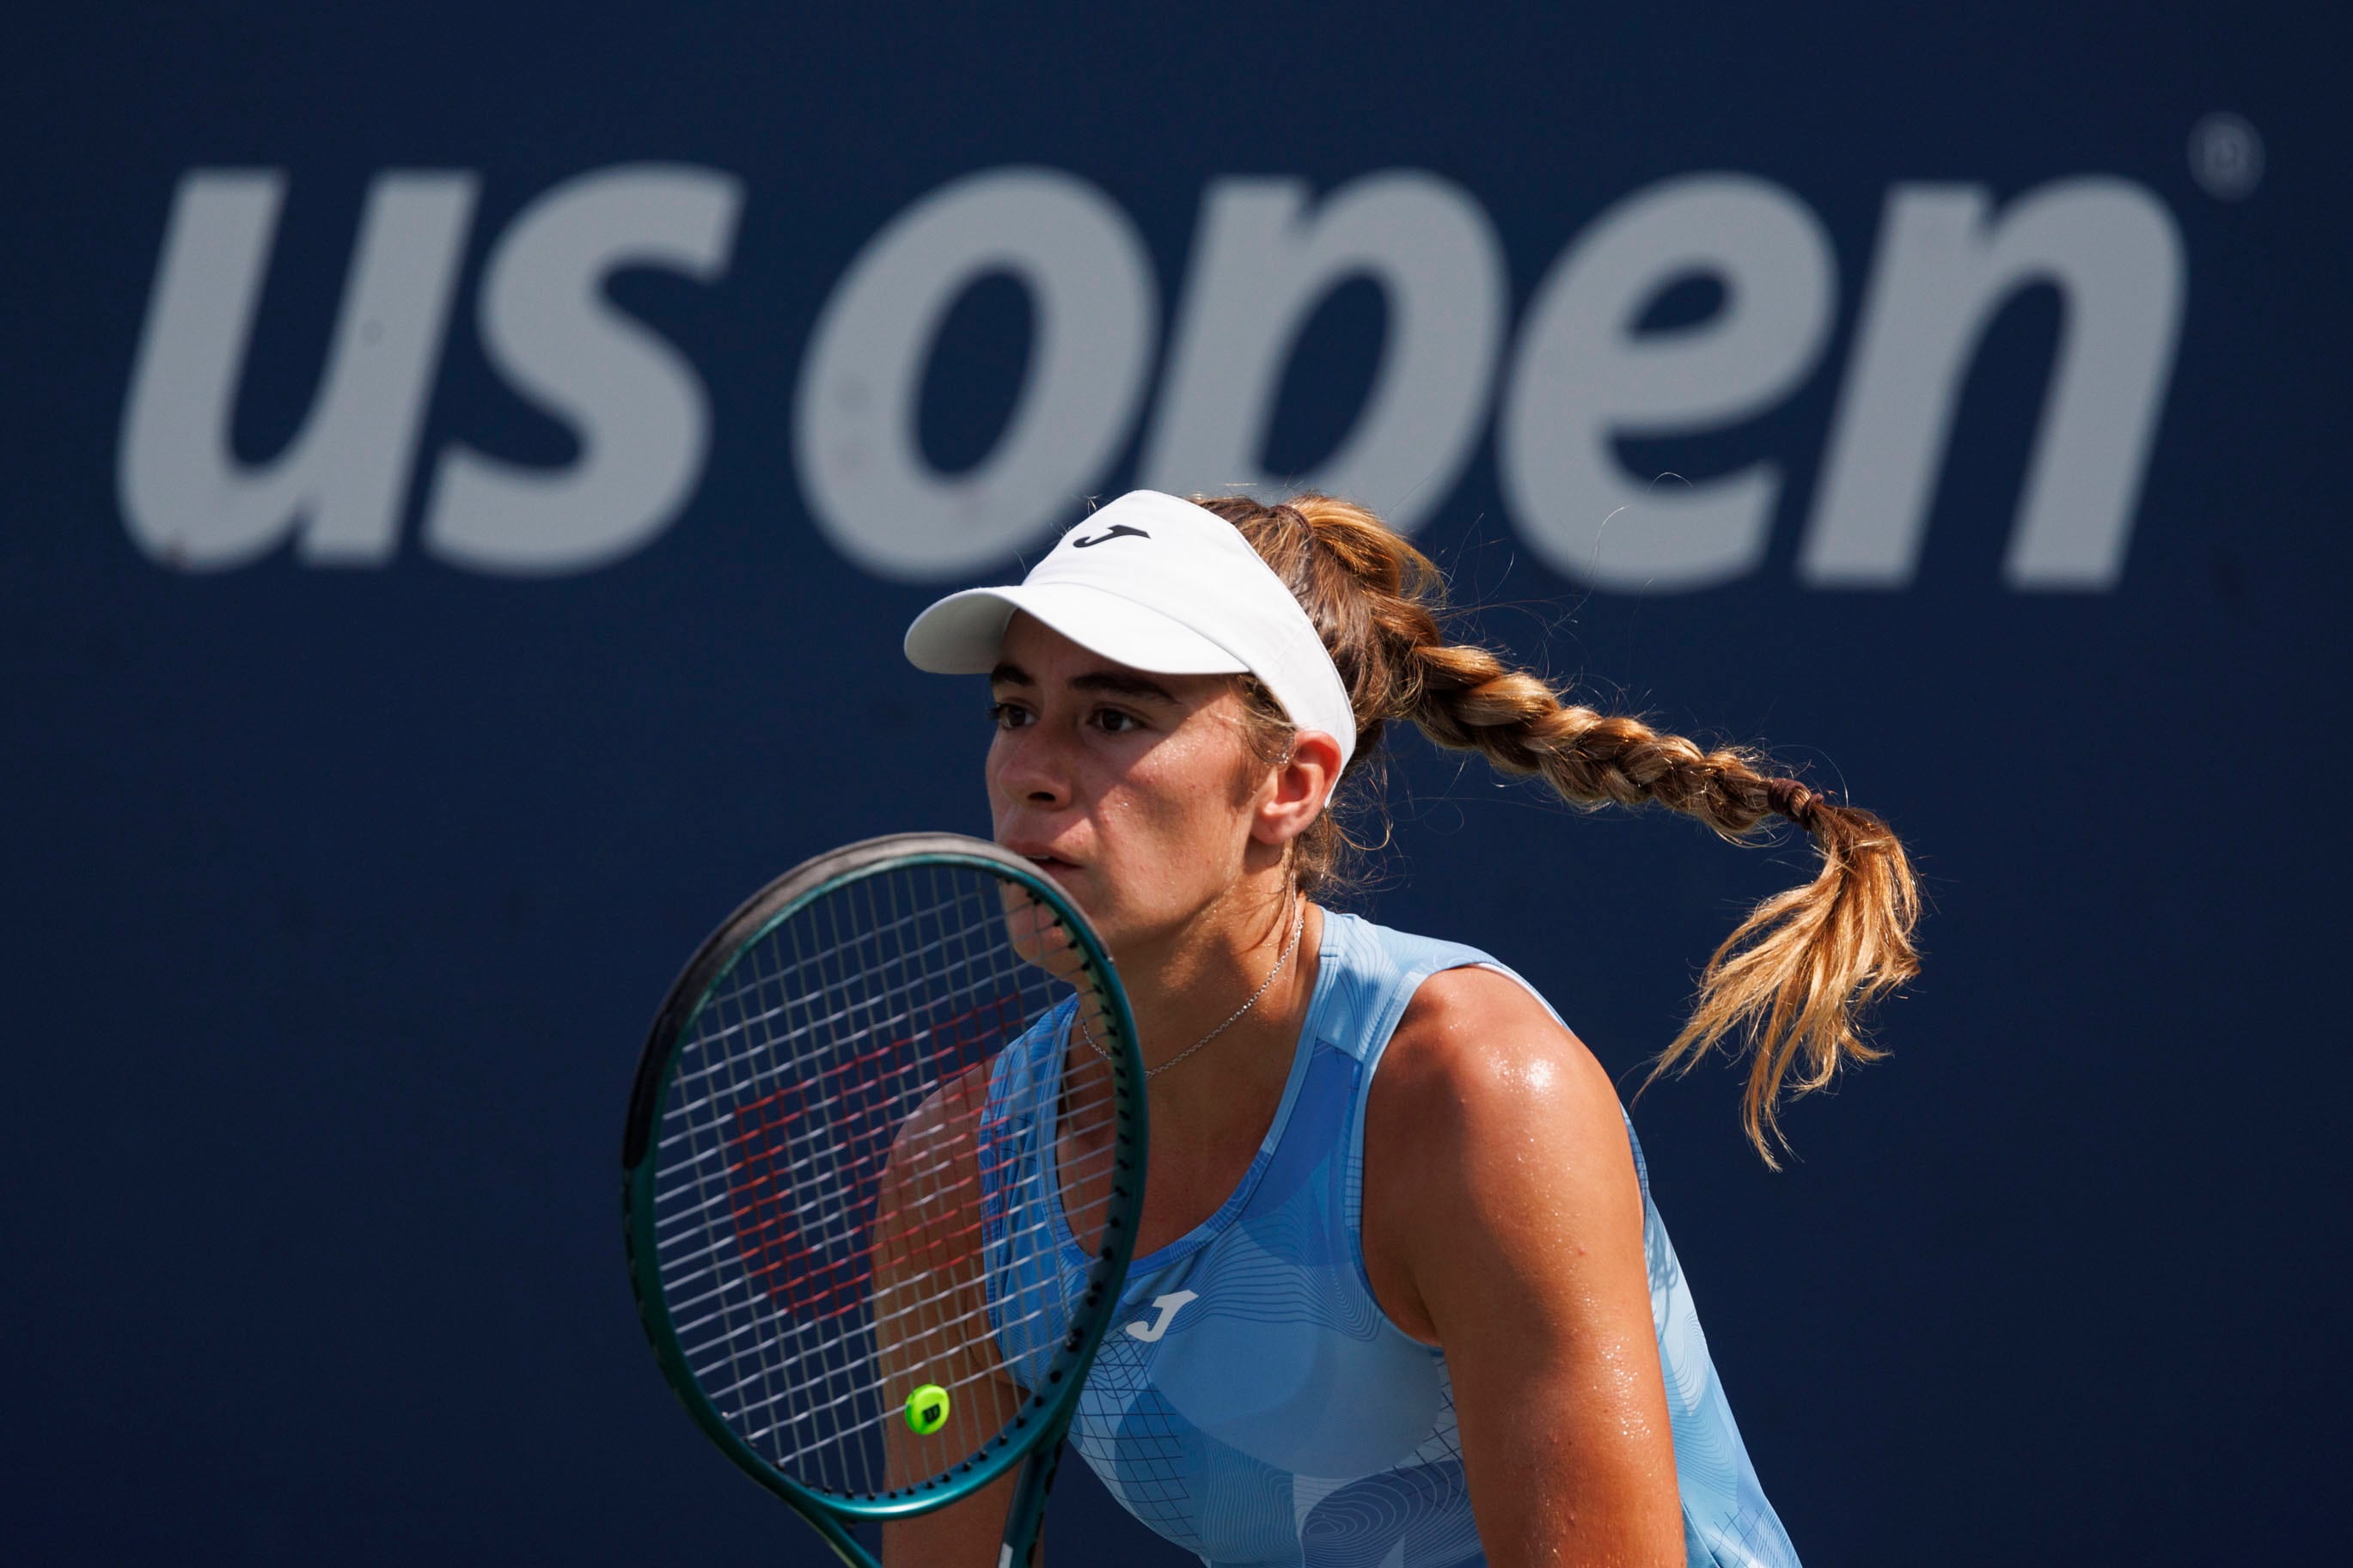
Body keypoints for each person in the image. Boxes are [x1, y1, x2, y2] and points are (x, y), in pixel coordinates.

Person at [881, 490, 1918, 1568]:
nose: (1031, 770)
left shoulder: (1475, 1095)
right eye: (1013, 710)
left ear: (1287, 785)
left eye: (1112, 717)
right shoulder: (959, 1174)